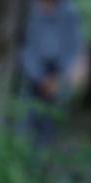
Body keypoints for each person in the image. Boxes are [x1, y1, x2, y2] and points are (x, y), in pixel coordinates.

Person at [20, 0, 84, 148]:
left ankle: (42, 162)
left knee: (49, 128)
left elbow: (73, 48)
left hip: (57, 77)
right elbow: (24, 47)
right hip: (30, 76)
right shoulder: (28, 7)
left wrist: (59, 80)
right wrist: (39, 77)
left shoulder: (69, 11)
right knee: (25, 123)